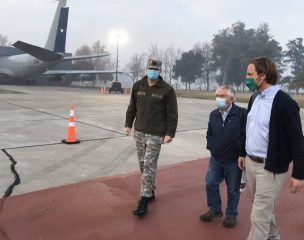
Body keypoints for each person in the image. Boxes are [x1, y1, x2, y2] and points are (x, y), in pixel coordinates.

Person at [239, 57, 304, 240]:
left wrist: (299, 174)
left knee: (258, 216)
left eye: (250, 74)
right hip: (251, 163)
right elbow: (250, 129)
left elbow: (297, 139)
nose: (247, 78)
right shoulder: (255, 98)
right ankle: (274, 236)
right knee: (263, 210)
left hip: (270, 168)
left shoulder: (285, 103)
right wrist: (243, 153)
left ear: (263, 75)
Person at [124, 58, 178, 217]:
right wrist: (128, 124)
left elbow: (172, 114)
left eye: (156, 69)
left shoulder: (167, 90)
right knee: (142, 164)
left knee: (149, 165)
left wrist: (170, 133)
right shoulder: (138, 86)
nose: (152, 71)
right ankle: (150, 191)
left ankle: (144, 200)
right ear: (146, 69)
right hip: (139, 131)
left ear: (160, 71)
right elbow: (132, 107)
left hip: (156, 134)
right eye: (150, 68)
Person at [200, 85, 246, 228]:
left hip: (234, 161)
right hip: (216, 159)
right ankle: (215, 209)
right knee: (210, 183)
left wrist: (242, 154)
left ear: (231, 99)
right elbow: (210, 133)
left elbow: (246, 136)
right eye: (217, 96)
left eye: (222, 96)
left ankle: (231, 215)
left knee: (233, 189)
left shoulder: (241, 114)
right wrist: (212, 147)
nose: (218, 99)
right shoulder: (213, 114)